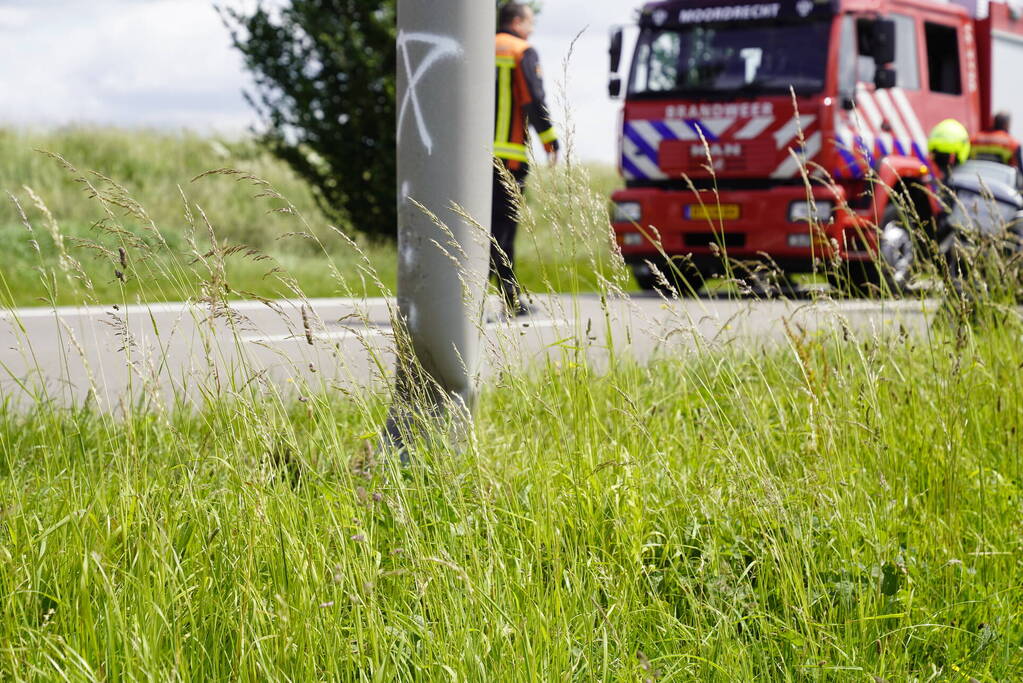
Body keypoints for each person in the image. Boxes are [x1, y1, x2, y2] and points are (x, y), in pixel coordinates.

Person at [492, 2, 559, 317]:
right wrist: (549, 140)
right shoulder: (521, 50)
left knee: (478, 227)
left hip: (469, 160)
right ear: (517, 21)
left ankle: (472, 299)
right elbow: (534, 99)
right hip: (508, 157)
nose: (531, 28)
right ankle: (510, 299)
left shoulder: (479, 46)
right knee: (503, 229)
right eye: (530, 22)